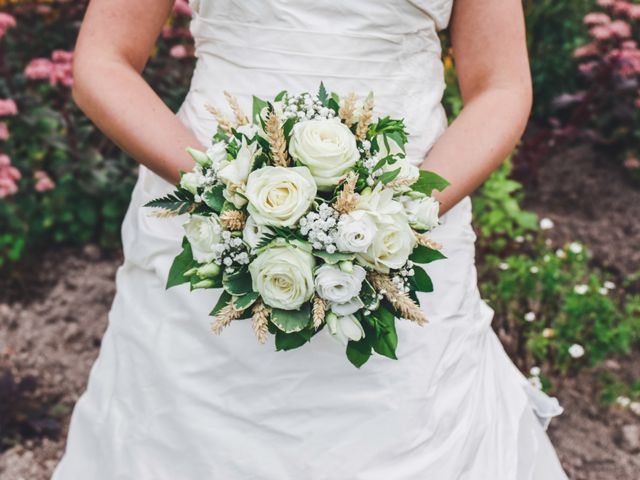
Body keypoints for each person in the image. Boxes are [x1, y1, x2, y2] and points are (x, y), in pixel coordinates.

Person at [52, 0, 568, 478]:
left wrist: (406, 215)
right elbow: (104, 61)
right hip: (209, 215)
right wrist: (223, 191)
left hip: (406, 222)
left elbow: (501, 85)